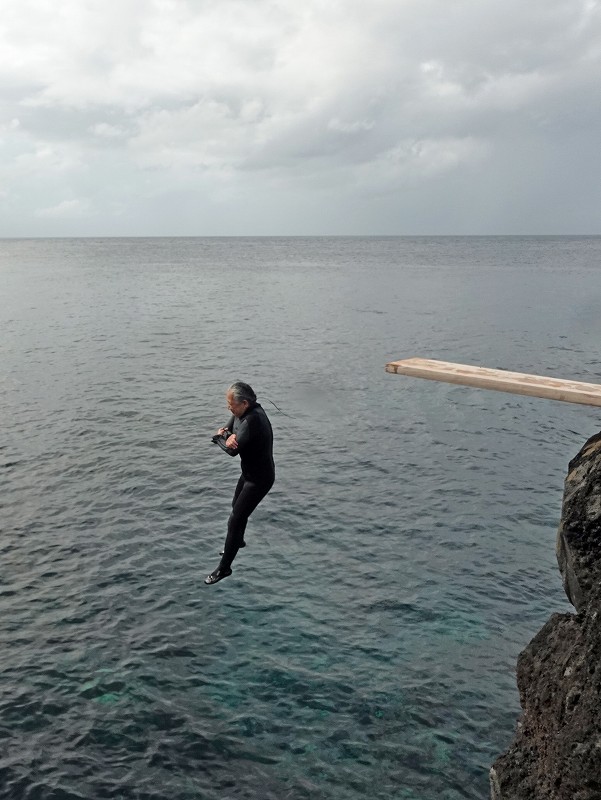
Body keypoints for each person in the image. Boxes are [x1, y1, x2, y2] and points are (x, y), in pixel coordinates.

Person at [205, 381, 275, 585]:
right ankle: (238, 541)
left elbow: (232, 450)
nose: (229, 408)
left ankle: (224, 568)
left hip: (260, 480)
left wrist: (219, 438)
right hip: (249, 474)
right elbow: (228, 429)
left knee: (235, 519)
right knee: (236, 508)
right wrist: (226, 435)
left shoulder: (253, 420)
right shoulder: (240, 413)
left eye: (231, 405)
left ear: (244, 403)